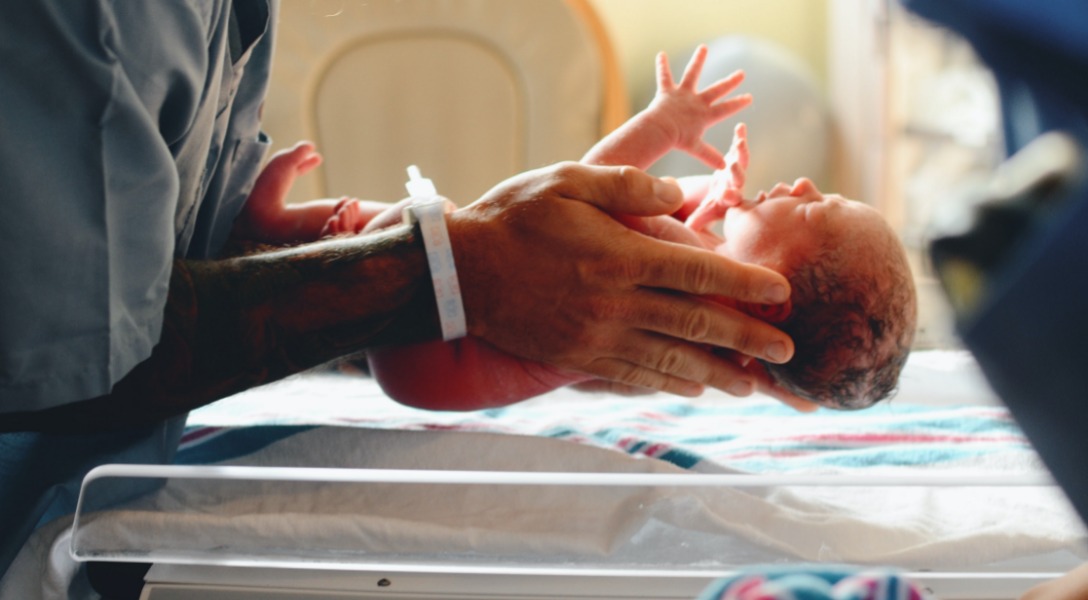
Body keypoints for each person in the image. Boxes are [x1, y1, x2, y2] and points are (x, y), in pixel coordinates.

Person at [0, 5, 797, 598]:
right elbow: (57, 355)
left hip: (425, 348)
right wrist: (447, 265)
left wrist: (235, 238)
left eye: (812, 214)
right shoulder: (53, 21)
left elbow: (98, 253)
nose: (793, 189)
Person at [245, 51, 916, 412]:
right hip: (436, 368)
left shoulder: (681, 277)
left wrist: (666, 126)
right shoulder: (703, 311)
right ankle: (284, 231)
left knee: (409, 224)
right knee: (403, 225)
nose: (800, 185)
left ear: (770, 300)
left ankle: (275, 230)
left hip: (439, 348)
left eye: (813, 209)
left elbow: (581, 200)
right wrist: (717, 207)